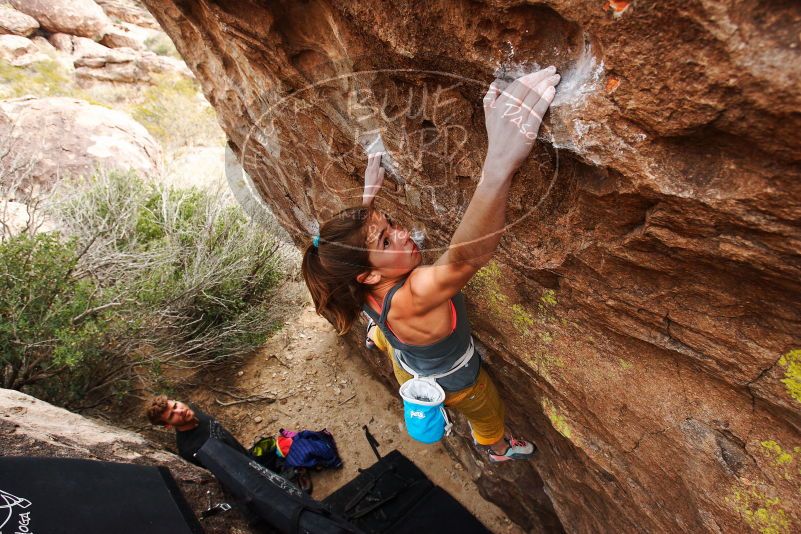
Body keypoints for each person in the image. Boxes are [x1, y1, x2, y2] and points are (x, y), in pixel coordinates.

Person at [301, 67, 560, 462]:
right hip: (457, 382)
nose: (404, 233)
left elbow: (353, 250)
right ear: (368, 273)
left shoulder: (355, 280)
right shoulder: (415, 292)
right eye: (388, 239)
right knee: (489, 412)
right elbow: (466, 256)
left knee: (387, 333)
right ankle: (495, 447)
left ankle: (379, 335)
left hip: (406, 357)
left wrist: (369, 199)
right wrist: (499, 165)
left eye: (391, 226)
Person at [146, 395, 249, 467]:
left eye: (175, 406)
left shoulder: (192, 411)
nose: (180, 411)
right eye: (172, 415)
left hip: (248, 457)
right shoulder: (190, 449)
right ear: (168, 425)